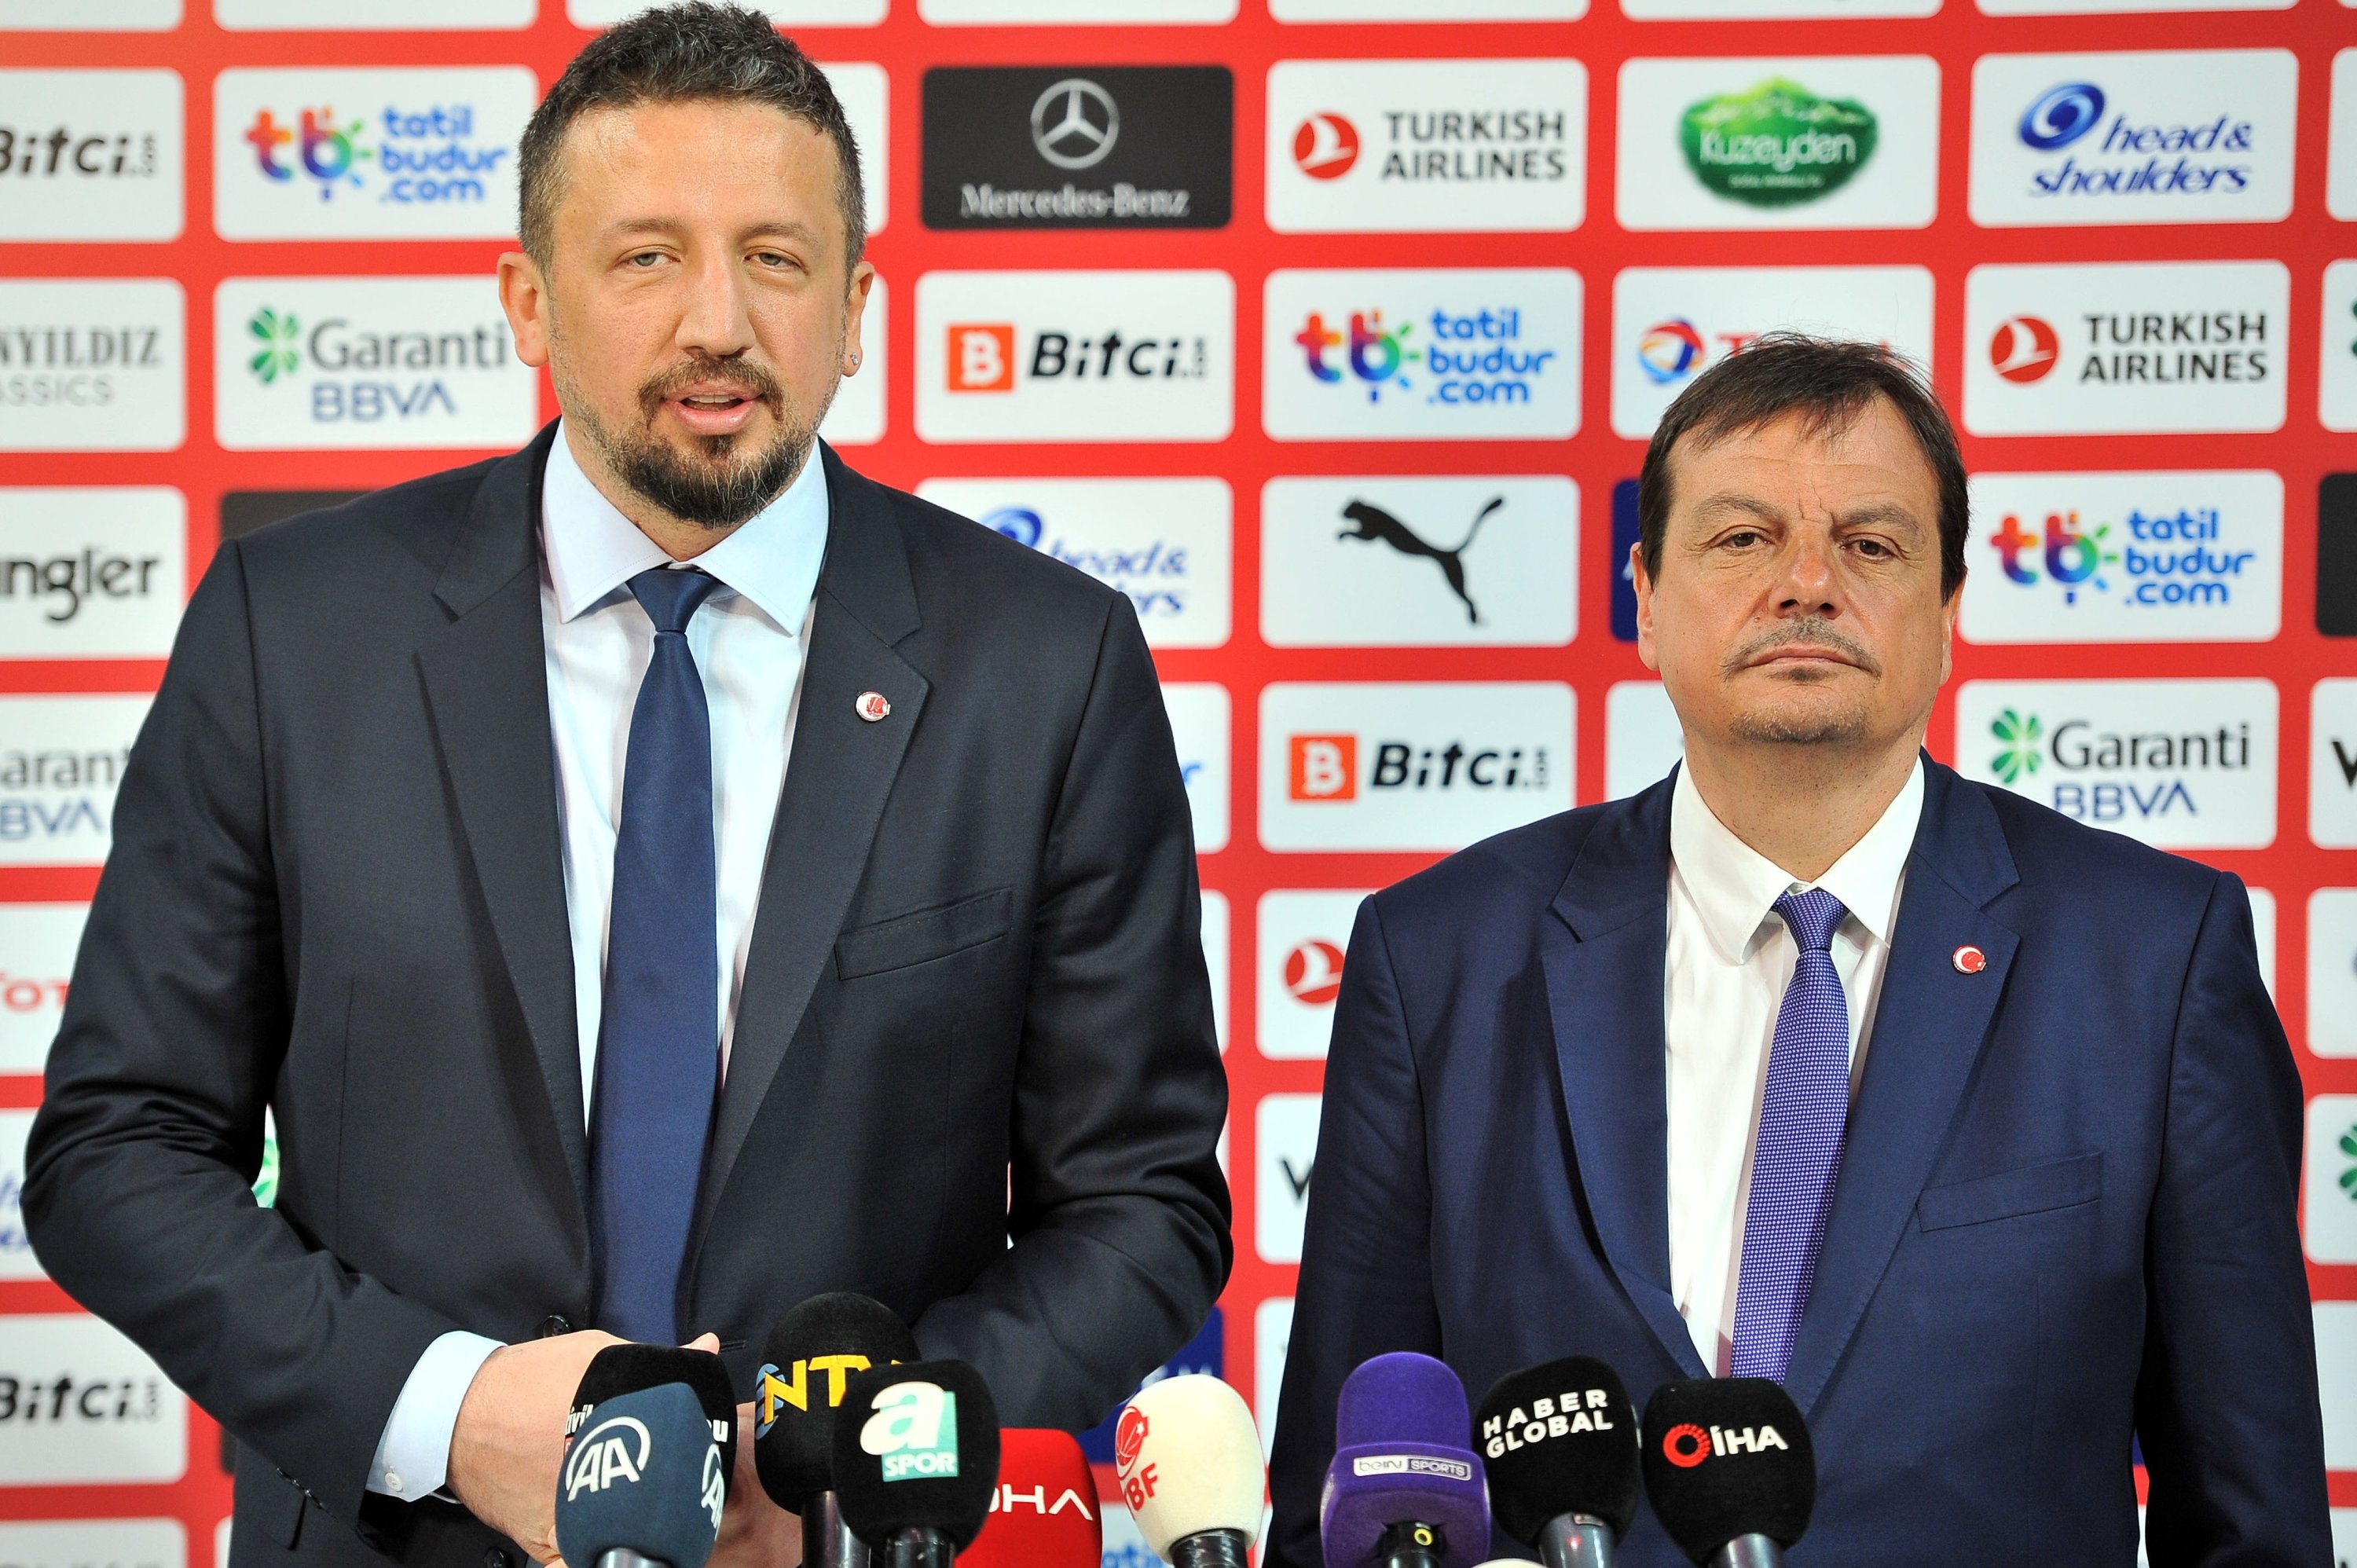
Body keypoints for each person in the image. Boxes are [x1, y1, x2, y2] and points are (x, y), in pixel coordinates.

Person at [24, 9, 1230, 1568]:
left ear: (858, 309)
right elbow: (118, 1145)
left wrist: (869, 1472)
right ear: (530, 301)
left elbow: (1141, 1201)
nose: (717, 321)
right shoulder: (291, 631)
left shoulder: (1046, 664)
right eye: (646, 256)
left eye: (778, 261)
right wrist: (448, 1412)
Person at [1266, 336, 2328, 1565]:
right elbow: (1348, 1506)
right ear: (1646, 600)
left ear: (1948, 613)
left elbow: (2253, 1525)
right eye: (1742, 539)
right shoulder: (1438, 953)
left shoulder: (2153, 955)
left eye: (1871, 545)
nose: (1808, 584)